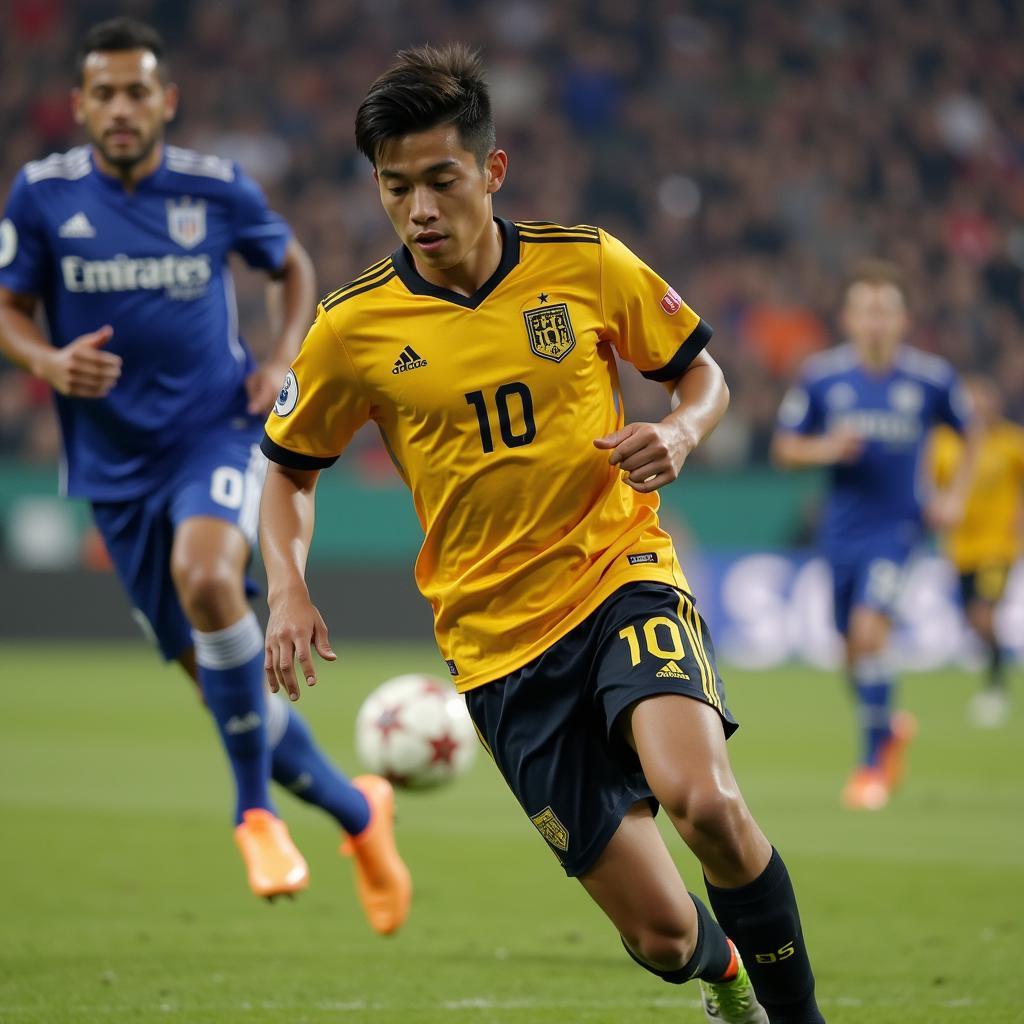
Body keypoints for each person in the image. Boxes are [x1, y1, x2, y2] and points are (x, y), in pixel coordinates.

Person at [260, 44, 825, 1024]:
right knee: (660, 938)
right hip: (495, 648)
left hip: (617, 572)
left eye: (440, 180)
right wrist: (286, 587)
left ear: (491, 169)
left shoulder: (584, 262)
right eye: (396, 189)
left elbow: (703, 375)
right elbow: (286, 471)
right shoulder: (351, 329)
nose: (420, 210)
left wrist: (680, 432)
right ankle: (725, 978)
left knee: (703, 802)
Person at [0, 17, 410, 932]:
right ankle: (357, 813)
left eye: (136, 91)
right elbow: (9, 308)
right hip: (112, 469)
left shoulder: (213, 187)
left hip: (216, 433)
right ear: (79, 106)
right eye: (102, 93)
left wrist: (282, 356)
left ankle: (252, 813)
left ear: (165, 101)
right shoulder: (40, 195)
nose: (119, 108)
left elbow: (291, 264)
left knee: (208, 575)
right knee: (227, 691)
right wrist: (46, 363)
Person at [772, 260, 976, 810]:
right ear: (848, 318)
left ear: (904, 318)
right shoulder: (822, 377)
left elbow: (969, 435)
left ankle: (870, 766)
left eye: (886, 309)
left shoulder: (931, 380)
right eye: (866, 310)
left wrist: (953, 494)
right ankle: (888, 725)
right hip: (839, 532)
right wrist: (827, 449)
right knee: (849, 649)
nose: (876, 320)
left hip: (899, 529)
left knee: (868, 633)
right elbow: (786, 449)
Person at [931, 376, 1024, 728]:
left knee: (984, 614)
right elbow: (930, 489)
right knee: (973, 619)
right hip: (961, 549)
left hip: (998, 547)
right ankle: (995, 670)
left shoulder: (1012, 443)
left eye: (984, 398)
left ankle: (996, 689)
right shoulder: (944, 445)